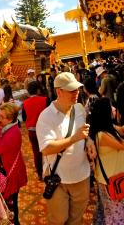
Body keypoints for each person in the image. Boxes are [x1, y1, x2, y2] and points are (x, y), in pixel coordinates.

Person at [37, 72, 91, 225]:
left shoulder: (79, 109)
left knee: (76, 219)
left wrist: (90, 142)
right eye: (72, 90)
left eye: (77, 89)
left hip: (81, 174)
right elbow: (46, 148)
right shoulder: (46, 116)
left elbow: (85, 134)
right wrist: (74, 138)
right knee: (58, 220)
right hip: (58, 178)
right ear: (59, 91)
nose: (76, 93)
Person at [89, 97, 124, 223]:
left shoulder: (109, 128)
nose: (114, 109)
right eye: (111, 107)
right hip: (110, 182)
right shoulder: (102, 135)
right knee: (116, 217)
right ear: (104, 111)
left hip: (115, 179)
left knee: (113, 213)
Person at [0, 102, 27, 225]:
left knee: (10, 206)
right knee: (8, 204)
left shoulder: (13, 132)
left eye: (1, 117)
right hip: (5, 170)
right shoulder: (8, 128)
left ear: (10, 119)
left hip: (10, 174)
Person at [22, 80, 48, 180]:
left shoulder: (25, 103)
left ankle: (40, 173)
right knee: (47, 150)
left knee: (36, 152)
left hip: (32, 131)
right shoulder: (45, 100)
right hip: (44, 130)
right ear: (38, 90)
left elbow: (24, 118)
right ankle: (49, 171)